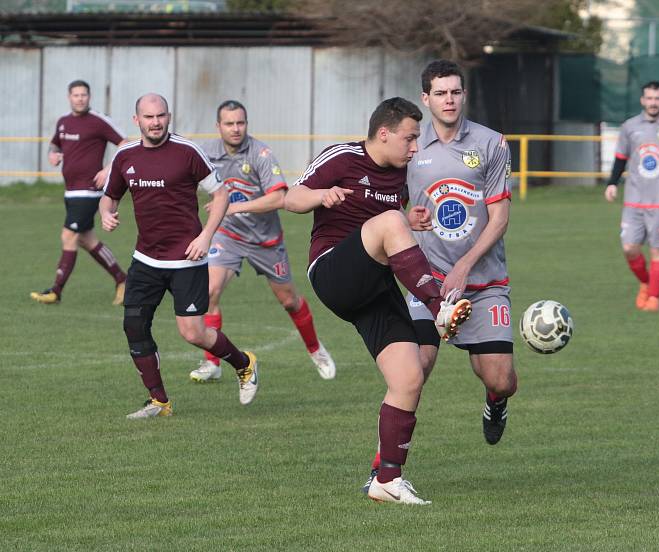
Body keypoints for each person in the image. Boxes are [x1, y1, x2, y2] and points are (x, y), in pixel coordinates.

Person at [284, 97, 472, 505]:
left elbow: (398, 227)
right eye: (408, 137)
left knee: (410, 376)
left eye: (417, 139)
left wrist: (414, 222)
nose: (414, 147)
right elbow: (291, 198)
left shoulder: (403, 175)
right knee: (389, 222)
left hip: (375, 287)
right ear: (383, 133)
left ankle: (386, 479)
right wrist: (321, 196)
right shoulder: (343, 157)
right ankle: (440, 305)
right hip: (333, 272)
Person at [360, 60, 517, 491]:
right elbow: (391, 206)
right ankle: (382, 468)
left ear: (464, 95)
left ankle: (494, 402)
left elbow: (500, 217)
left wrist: (465, 266)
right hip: (424, 282)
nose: (449, 100)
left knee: (502, 379)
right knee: (413, 369)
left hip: (483, 283)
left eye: (456, 92)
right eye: (440, 93)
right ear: (426, 98)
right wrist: (408, 218)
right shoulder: (410, 145)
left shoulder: (491, 143)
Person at [99, 93, 259, 419]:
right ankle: (159, 402)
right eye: (148, 117)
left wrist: (205, 236)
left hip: (188, 258)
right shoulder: (125, 155)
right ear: (137, 120)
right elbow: (110, 196)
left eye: (161, 116)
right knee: (133, 325)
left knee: (192, 333)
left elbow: (221, 193)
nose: (155, 122)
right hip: (146, 259)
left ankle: (244, 363)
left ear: (168, 116)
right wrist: (107, 214)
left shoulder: (187, 152)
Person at [188, 100, 335, 383]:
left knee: (289, 300)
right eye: (229, 123)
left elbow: (279, 198)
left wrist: (233, 207)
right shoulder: (206, 153)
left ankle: (315, 349)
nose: (235, 129)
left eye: (240, 123)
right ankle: (212, 363)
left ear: (247, 124)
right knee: (208, 291)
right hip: (227, 235)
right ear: (218, 126)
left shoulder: (260, 153)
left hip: (265, 240)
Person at [31, 80, 128, 306]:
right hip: (70, 191)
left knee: (69, 236)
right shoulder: (63, 122)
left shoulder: (98, 121)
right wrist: (52, 155)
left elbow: (125, 144)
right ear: (69, 97)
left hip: (89, 190)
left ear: (89, 96)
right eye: (76, 95)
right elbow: (55, 145)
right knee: (86, 239)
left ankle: (56, 291)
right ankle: (122, 279)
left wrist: (108, 169)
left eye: (84, 94)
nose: (80, 98)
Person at [605, 81, 659, 312]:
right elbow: (621, 157)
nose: (653, 103)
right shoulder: (630, 127)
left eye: (657, 99)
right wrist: (612, 183)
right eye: (649, 98)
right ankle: (645, 281)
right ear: (642, 100)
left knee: (657, 249)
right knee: (629, 248)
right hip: (634, 199)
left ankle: (653, 298)